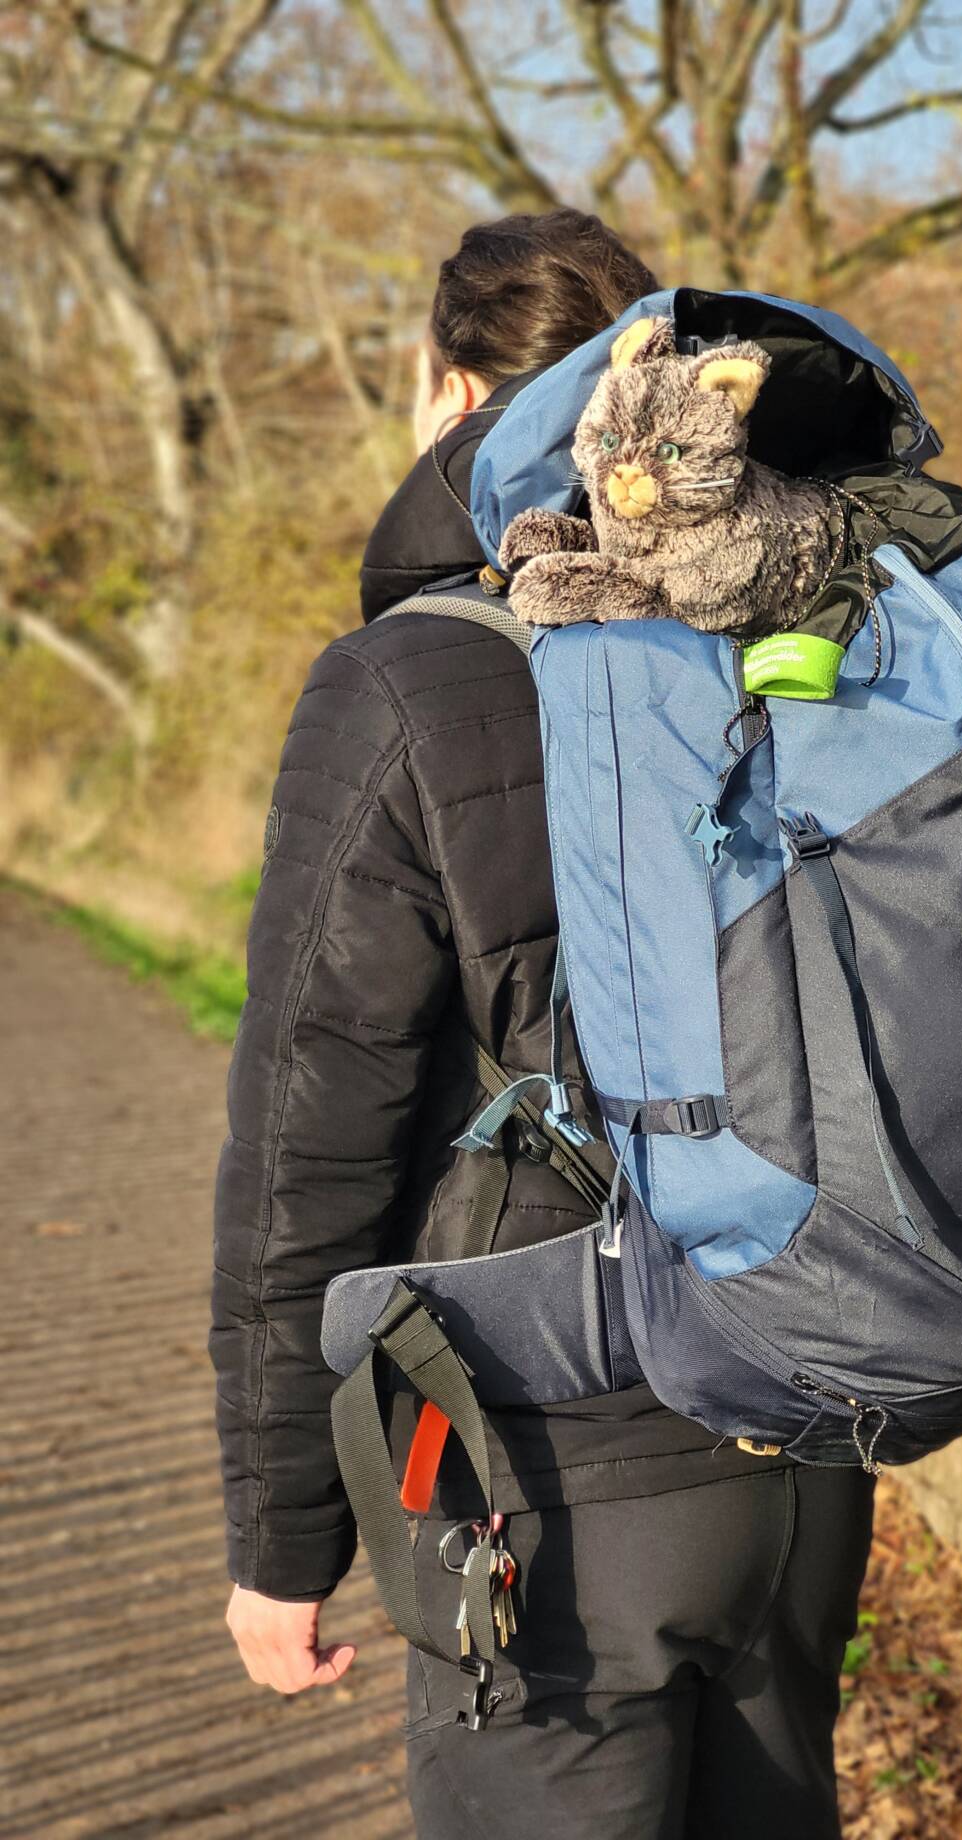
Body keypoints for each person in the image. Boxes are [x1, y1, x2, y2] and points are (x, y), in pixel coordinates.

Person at [211, 209, 875, 1840]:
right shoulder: (802, 628)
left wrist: (284, 1539)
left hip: (550, 1478)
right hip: (808, 1440)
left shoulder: (406, 683)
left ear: (443, 397)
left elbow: (313, 1144)